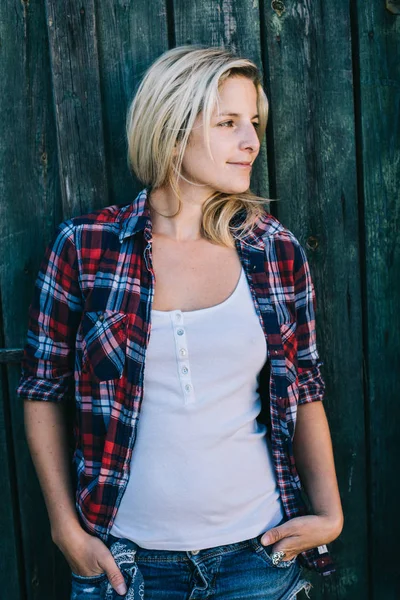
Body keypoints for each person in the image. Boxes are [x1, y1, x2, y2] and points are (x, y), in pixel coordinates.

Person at [16, 45, 344, 599]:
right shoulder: (86, 247)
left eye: (254, 124)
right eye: (228, 123)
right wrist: (65, 530)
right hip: (126, 564)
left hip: (257, 559)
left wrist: (330, 515)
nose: (252, 142)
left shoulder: (275, 250)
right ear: (172, 128)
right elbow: (43, 391)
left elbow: (305, 389)